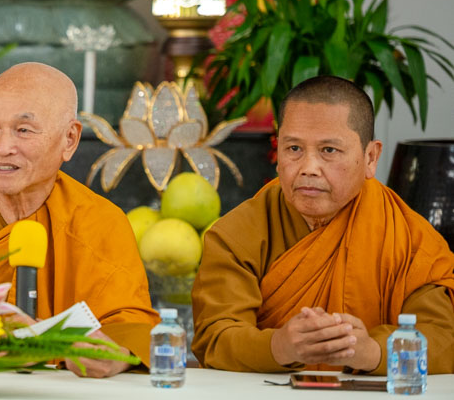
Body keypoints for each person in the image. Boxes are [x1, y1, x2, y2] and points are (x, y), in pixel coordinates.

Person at [0, 62, 159, 378]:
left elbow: (131, 325)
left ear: (69, 139)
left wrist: (115, 354)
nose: (2, 148)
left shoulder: (100, 222)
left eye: (23, 130)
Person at [192, 76, 454, 374]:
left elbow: (444, 340)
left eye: (329, 150)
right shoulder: (237, 234)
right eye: (294, 148)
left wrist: (373, 352)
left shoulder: (410, 240)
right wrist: (279, 347)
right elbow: (214, 338)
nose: (308, 168)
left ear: (370, 157)